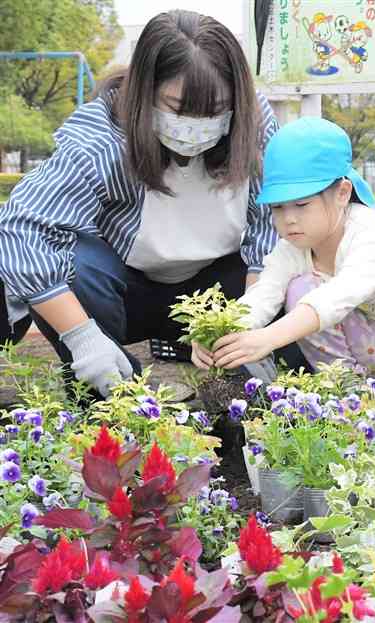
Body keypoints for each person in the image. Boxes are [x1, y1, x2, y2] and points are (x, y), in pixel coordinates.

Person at [0, 10, 290, 397]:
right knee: (76, 263)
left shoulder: (253, 124)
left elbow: (267, 229)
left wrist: (249, 323)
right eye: (176, 107)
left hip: (219, 291)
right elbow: (24, 229)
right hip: (125, 293)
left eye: (216, 109)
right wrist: (82, 337)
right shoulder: (101, 139)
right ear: (144, 91)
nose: (196, 125)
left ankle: (240, 379)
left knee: (298, 258)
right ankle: (106, 382)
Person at [192, 117, 375, 386]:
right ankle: (350, 393)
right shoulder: (293, 248)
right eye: (277, 208)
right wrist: (220, 333)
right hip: (374, 354)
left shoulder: (372, 235)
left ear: (342, 193)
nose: (288, 220)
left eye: (301, 204)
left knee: (314, 301)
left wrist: (268, 338)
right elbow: (263, 294)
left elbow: (337, 297)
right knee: (301, 289)